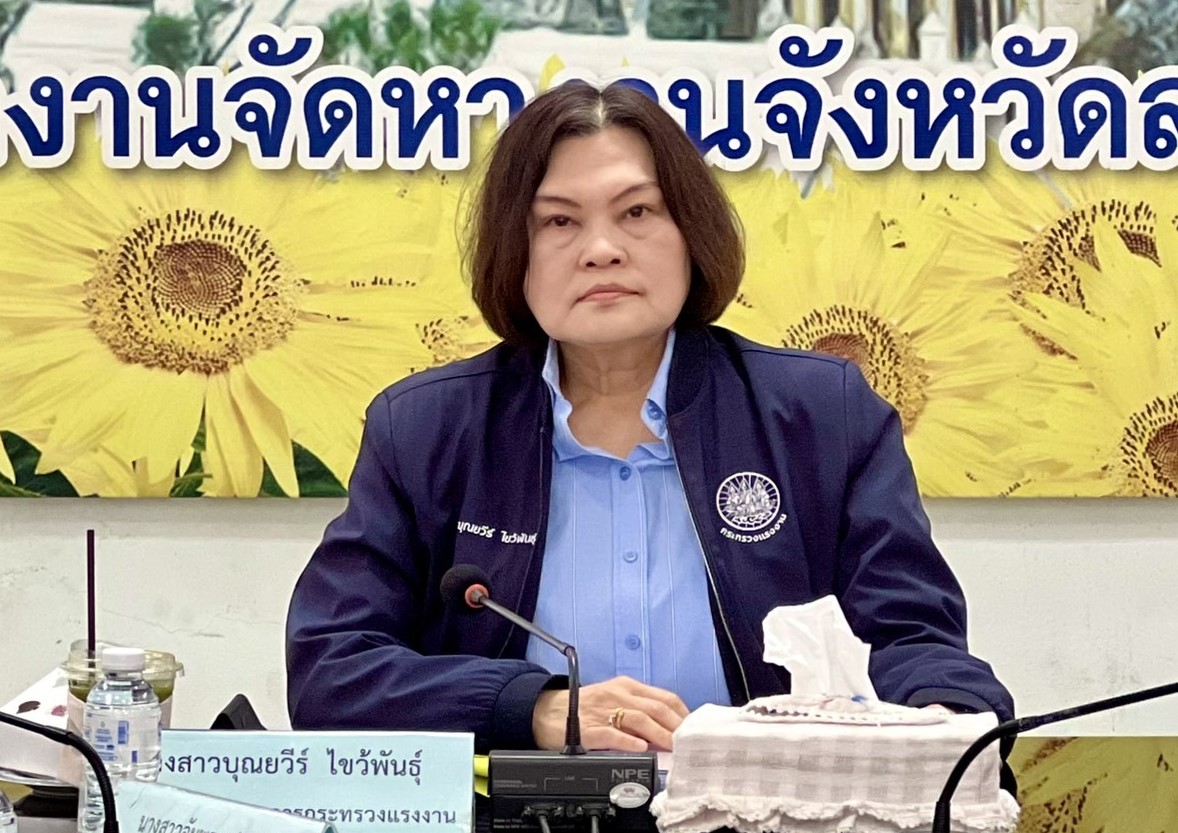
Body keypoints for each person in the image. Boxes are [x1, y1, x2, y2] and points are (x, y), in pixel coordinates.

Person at [285, 81, 1014, 757]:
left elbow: (910, 638)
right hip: (517, 826)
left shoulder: (825, 414)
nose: (602, 250)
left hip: (768, 823)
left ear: (691, 232)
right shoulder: (426, 430)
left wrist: (946, 714)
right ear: (515, 252)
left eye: (637, 212)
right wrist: (529, 707)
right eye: (559, 221)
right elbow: (330, 670)